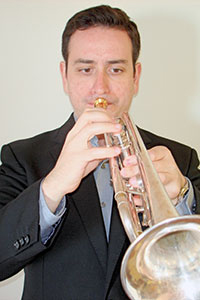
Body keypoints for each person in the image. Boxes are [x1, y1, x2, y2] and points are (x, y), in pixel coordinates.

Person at [0, 5, 200, 300]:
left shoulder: (180, 158)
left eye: (116, 69)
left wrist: (183, 197)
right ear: (64, 76)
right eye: (85, 69)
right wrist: (52, 187)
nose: (100, 88)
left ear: (136, 77)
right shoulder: (22, 156)